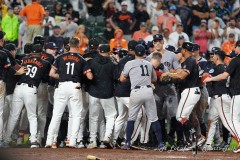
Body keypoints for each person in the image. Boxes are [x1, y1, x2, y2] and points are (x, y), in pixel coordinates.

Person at [45, 37, 93, 148]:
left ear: (69, 45)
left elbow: (51, 74)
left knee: (56, 115)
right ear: (78, 45)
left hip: (61, 86)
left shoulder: (60, 57)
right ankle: (72, 141)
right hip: (74, 87)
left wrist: (61, 76)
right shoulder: (81, 59)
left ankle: (49, 141)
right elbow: (90, 77)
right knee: (75, 115)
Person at [4, 44, 51, 148]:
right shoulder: (45, 63)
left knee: (13, 115)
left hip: (18, 88)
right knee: (32, 115)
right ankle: (33, 140)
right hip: (31, 89)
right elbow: (45, 78)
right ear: (41, 52)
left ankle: (6, 139)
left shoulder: (24, 59)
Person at [120, 44, 165, 150]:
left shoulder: (130, 63)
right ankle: (161, 144)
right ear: (145, 53)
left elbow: (122, 79)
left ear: (134, 53)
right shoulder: (149, 64)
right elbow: (154, 79)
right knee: (154, 119)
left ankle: (127, 143)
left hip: (136, 91)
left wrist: (133, 77)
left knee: (131, 118)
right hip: (148, 90)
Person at [161, 42, 201, 149]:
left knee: (180, 116)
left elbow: (182, 76)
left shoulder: (190, 60)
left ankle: (197, 137)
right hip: (191, 91)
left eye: (181, 50)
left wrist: (168, 73)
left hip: (190, 90)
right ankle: (192, 139)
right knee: (184, 117)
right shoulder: (190, 60)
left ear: (184, 50)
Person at [204, 40, 240, 153]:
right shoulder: (227, 64)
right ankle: (209, 143)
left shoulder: (233, 62)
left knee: (231, 121)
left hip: (230, 95)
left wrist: (209, 79)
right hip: (229, 95)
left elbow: (224, 76)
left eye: (236, 47)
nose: (234, 49)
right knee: (227, 120)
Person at [87, 44, 117, 149]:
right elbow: (116, 79)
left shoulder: (91, 62)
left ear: (99, 51)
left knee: (93, 117)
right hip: (107, 94)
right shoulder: (112, 64)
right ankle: (107, 136)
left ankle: (92, 140)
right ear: (109, 52)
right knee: (110, 116)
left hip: (93, 93)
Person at [112, 40, 138, 148]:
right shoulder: (135, 61)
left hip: (119, 92)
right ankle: (129, 140)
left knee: (121, 117)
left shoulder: (122, 60)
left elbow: (115, 76)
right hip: (128, 93)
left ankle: (113, 140)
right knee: (135, 116)